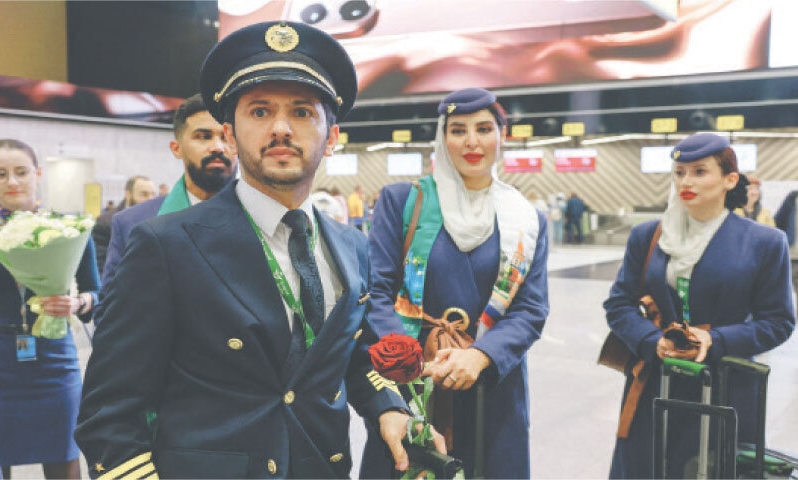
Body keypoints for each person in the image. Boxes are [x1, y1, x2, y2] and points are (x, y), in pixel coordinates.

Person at [75, 21, 443, 479]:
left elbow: (351, 354)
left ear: (332, 138)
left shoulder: (351, 246)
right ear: (230, 136)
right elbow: (109, 412)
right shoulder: (166, 244)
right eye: (260, 111)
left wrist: (389, 407)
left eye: (302, 112)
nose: (281, 129)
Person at [360, 88, 549, 479]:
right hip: (414, 377)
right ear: (442, 138)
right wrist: (410, 360)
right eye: (458, 130)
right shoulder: (403, 202)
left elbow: (530, 309)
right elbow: (377, 291)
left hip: (492, 382)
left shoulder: (525, 220)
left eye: (484, 129)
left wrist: (479, 356)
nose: (471, 141)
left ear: (502, 136)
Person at [604, 133, 796, 479]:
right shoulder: (649, 236)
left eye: (699, 171)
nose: (686, 182)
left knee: (710, 468)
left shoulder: (763, 242)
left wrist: (715, 339)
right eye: (679, 173)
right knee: (646, 468)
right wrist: (651, 340)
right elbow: (619, 304)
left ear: (730, 180)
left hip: (726, 386)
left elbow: (778, 321)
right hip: (654, 382)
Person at [0, 139, 100, 480]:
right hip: (0, 360)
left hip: (54, 360)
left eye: (21, 172)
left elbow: (97, 292)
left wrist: (77, 302)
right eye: (0, 174)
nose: (12, 181)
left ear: (37, 173)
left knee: (64, 458)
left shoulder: (68, 228)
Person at [99, 93, 238, 288]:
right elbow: (111, 303)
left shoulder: (263, 218)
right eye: (203, 136)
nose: (217, 147)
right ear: (176, 148)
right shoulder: (132, 223)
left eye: (227, 138)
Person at [91, 175, 157, 274]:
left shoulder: (158, 220)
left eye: (153, 194)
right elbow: (101, 268)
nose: (150, 199)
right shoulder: (106, 223)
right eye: (144, 194)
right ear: (128, 194)